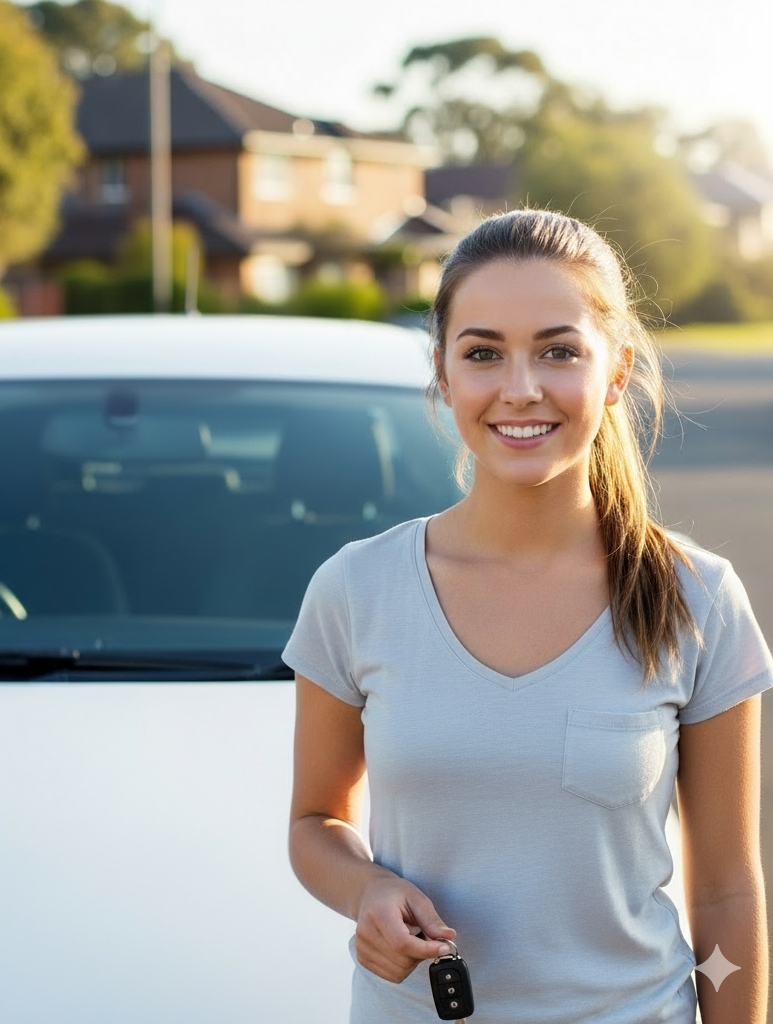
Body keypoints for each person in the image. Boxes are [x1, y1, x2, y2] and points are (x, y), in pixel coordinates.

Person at [284, 209, 773, 1024]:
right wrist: (365, 886)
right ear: (443, 373)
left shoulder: (698, 597)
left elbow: (727, 891)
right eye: (482, 353)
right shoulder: (356, 590)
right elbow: (314, 820)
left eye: (558, 351)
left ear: (615, 371)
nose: (520, 388)